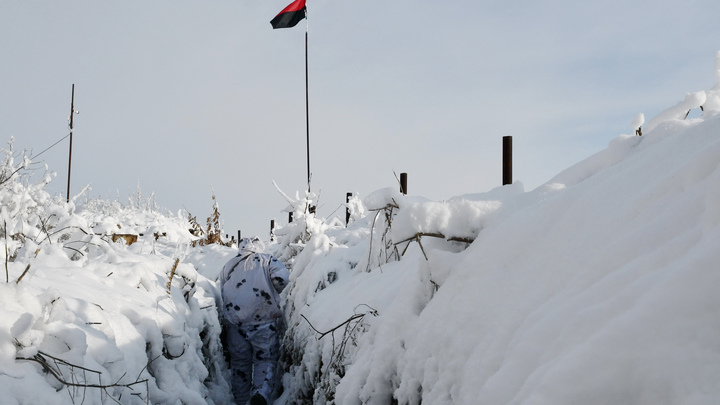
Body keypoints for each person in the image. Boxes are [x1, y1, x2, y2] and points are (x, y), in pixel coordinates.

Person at [220, 237, 289, 405]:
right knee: (264, 359)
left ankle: (241, 400)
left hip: (236, 325)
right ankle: (260, 394)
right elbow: (282, 278)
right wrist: (270, 291)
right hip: (263, 322)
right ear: (259, 246)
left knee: (239, 363)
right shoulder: (267, 260)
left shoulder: (229, 265)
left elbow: (223, 287)